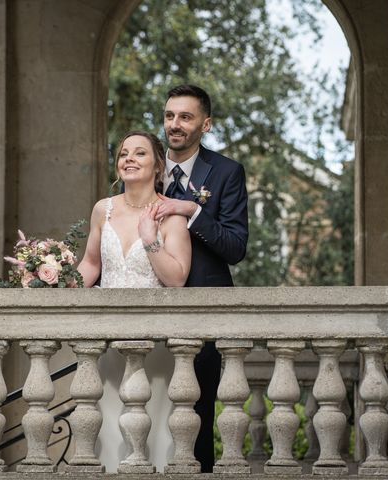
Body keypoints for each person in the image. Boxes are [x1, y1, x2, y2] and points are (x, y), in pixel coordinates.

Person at [78, 131, 191, 472]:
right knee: (110, 432)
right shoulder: (103, 210)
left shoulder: (171, 216)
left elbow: (177, 278)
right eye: (124, 153)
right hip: (109, 342)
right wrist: (53, 280)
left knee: (154, 438)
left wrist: (150, 241)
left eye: (139, 153)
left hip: (155, 345)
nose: (128, 158)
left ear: (158, 166)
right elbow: (91, 265)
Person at [154, 84, 249, 472]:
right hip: (149, 309)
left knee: (197, 412)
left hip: (203, 308)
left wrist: (193, 211)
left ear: (205, 124)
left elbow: (235, 247)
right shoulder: (145, 163)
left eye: (185, 117)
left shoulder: (226, 172)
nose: (175, 125)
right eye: (169, 116)